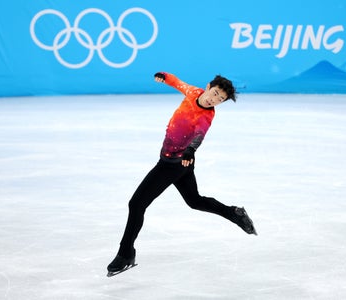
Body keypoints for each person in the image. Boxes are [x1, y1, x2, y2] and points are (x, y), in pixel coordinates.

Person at [107, 72, 257, 276]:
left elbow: (199, 135)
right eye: (214, 94)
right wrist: (164, 77)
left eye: (220, 99)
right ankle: (234, 213)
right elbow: (177, 82)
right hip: (178, 162)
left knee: (136, 204)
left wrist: (190, 151)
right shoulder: (192, 92)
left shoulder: (207, 115)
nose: (214, 99)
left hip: (175, 163)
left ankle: (125, 254)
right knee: (194, 201)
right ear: (207, 86)